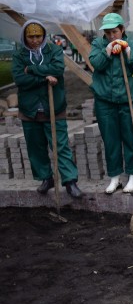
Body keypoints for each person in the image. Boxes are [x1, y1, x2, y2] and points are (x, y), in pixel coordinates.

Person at [11, 20, 83, 198]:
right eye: (31, 37)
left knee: (60, 145)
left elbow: (57, 69)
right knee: (36, 147)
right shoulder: (20, 55)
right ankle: (46, 178)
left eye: (38, 36)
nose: (35, 40)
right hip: (30, 109)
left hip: (54, 107)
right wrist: (44, 78)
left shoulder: (54, 50)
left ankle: (69, 180)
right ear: (25, 37)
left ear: (43, 36)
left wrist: (32, 70)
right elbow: (20, 79)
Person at [89, 13, 133, 194]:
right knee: (111, 141)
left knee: (131, 139)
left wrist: (128, 52)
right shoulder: (98, 44)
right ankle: (114, 177)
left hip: (128, 101)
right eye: (108, 32)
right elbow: (96, 64)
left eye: (115, 31)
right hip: (105, 102)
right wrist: (107, 51)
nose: (112, 36)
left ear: (122, 30)